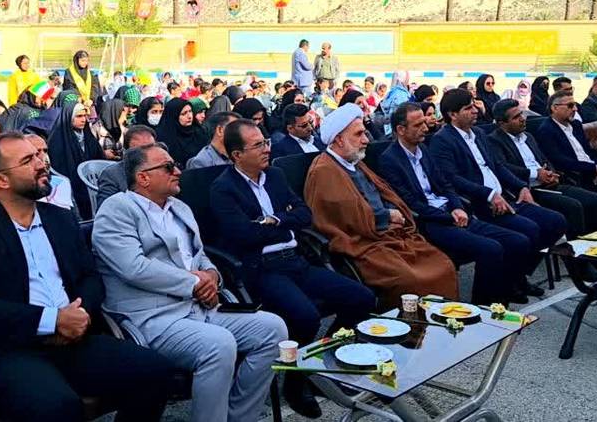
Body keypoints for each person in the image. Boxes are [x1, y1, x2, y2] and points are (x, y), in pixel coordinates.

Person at [0, 133, 172, 422]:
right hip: (14, 347)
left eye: (39, 155)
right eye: (28, 160)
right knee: (57, 407)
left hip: (75, 338)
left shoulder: (59, 218)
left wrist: (79, 315)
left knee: (156, 371)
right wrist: (52, 320)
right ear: (1, 180)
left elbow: (90, 277)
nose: (42, 164)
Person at [93, 143, 288, 422]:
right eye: (168, 167)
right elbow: (133, 268)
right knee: (219, 345)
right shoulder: (117, 209)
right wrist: (193, 283)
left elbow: (199, 255)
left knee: (273, 329)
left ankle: (239, 417)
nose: (178, 171)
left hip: (200, 307)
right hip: (152, 317)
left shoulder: (179, 207)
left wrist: (212, 276)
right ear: (143, 177)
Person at [210, 119, 375, 417]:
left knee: (362, 298)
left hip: (296, 260)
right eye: (258, 145)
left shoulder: (275, 175)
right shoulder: (223, 188)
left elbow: (304, 214)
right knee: (305, 317)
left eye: (266, 142)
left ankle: (320, 367)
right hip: (263, 269)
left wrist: (273, 221)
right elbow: (242, 235)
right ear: (237, 155)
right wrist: (282, 224)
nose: (267, 149)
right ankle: (296, 382)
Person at [379, 103, 534, 304]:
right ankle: (484, 306)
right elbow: (410, 202)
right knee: (491, 249)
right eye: (418, 125)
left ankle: (505, 294)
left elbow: (445, 184)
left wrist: (457, 207)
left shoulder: (423, 149)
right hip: (430, 222)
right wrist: (449, 216)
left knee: (517, 241)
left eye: (424, 123)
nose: (425, 128)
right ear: (401, 129)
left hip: (452, 212)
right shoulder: (389, 160)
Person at [305, 103, 458, 303]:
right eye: (359, 134)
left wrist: (394, 212)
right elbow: (345, 216)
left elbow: (384, 195)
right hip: (364, 242)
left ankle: (446, 319)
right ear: (339, 139)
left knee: (444, 265)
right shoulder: (324, 170)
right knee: (410, 279)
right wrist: (387, 216)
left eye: (364, 133)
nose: (366, 140)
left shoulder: (354, 161)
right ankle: (405, 321)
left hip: (390, 234)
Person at [429, 90, 566, 294]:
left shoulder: (479, 134)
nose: (475, 111)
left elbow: (497, 166)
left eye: (474, 106)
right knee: (527, 230)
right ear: (452, 114)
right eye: (468, 108)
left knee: (556, 221)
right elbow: (452, 179)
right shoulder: (442, 140)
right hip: (480, 203)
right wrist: (488, 194)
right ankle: (512, 282)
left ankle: (516, 276)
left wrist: (521, 186)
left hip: (505, 197)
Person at [488, 99, 597, 238]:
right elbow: (504, 167)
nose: (522, 119)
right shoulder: (494, 141)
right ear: (502, 123)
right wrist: (536, 174)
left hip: (549, 183)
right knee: (573, 207)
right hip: (529, 189)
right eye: (516, 117)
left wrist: (551, 173)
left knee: (596, 200)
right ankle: (577, 249)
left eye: (521, 114)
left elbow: (544, 159)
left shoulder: (528, 136)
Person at [47, 102, 105, 219]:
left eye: (85, 116)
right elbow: (60, 168)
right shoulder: (57, 140)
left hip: (92, 184)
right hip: (71, 186)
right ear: (69, 118)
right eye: (79, 116)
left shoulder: (88, 137)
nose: (83, 120)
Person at [96, 125, 157, 205]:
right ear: (127, 151)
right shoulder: (112, 175)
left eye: (150, 148)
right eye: (140, 150)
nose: (146, 153)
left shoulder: (163, 169)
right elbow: (106, 207)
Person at [156, 97, 208, 168]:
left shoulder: (199, 132)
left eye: (190, 111)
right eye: (184, 113)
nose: (189, 116)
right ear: (174, 116)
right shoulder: (164, 137)